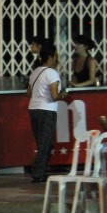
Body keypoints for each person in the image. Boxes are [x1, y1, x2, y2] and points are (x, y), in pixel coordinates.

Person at [27, 42, 69, 183]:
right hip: (47, 110)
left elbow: (28, 93)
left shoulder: (35, 72)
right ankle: (38, 173)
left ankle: (41, 170)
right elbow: (54, 96)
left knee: (42, 143)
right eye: (56, 56)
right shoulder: (52, 73)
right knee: (46, 144)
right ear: (51, 56)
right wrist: (64, 94)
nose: (57, 59)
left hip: (33, 109)